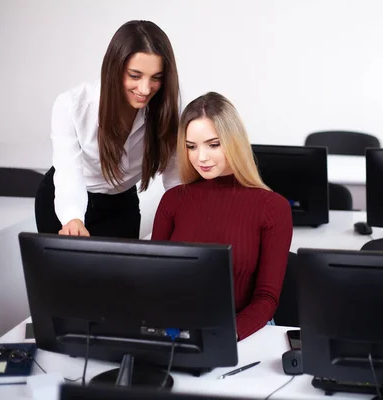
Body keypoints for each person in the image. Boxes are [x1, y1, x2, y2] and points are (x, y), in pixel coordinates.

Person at [151, 92, 293, 341]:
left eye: (213, 144)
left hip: (241, 334)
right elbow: (155, 281)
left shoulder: (273, 207)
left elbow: (266, 299)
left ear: (234, 141)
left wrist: (223, 336)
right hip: (179, 330)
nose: (201, 157)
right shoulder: (173, 200)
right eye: (191, 147)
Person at [35, 20, 181, 239]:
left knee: (123, 272)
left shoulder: (164, 109)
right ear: (115, 68)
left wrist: (188, 215)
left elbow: (175, 177)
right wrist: (72, 218)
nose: (145, 89)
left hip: (121, 204)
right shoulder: (72, 105)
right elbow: (68, 172)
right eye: (135, 75)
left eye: (156, 78)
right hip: (67, 200)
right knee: (67, 274)